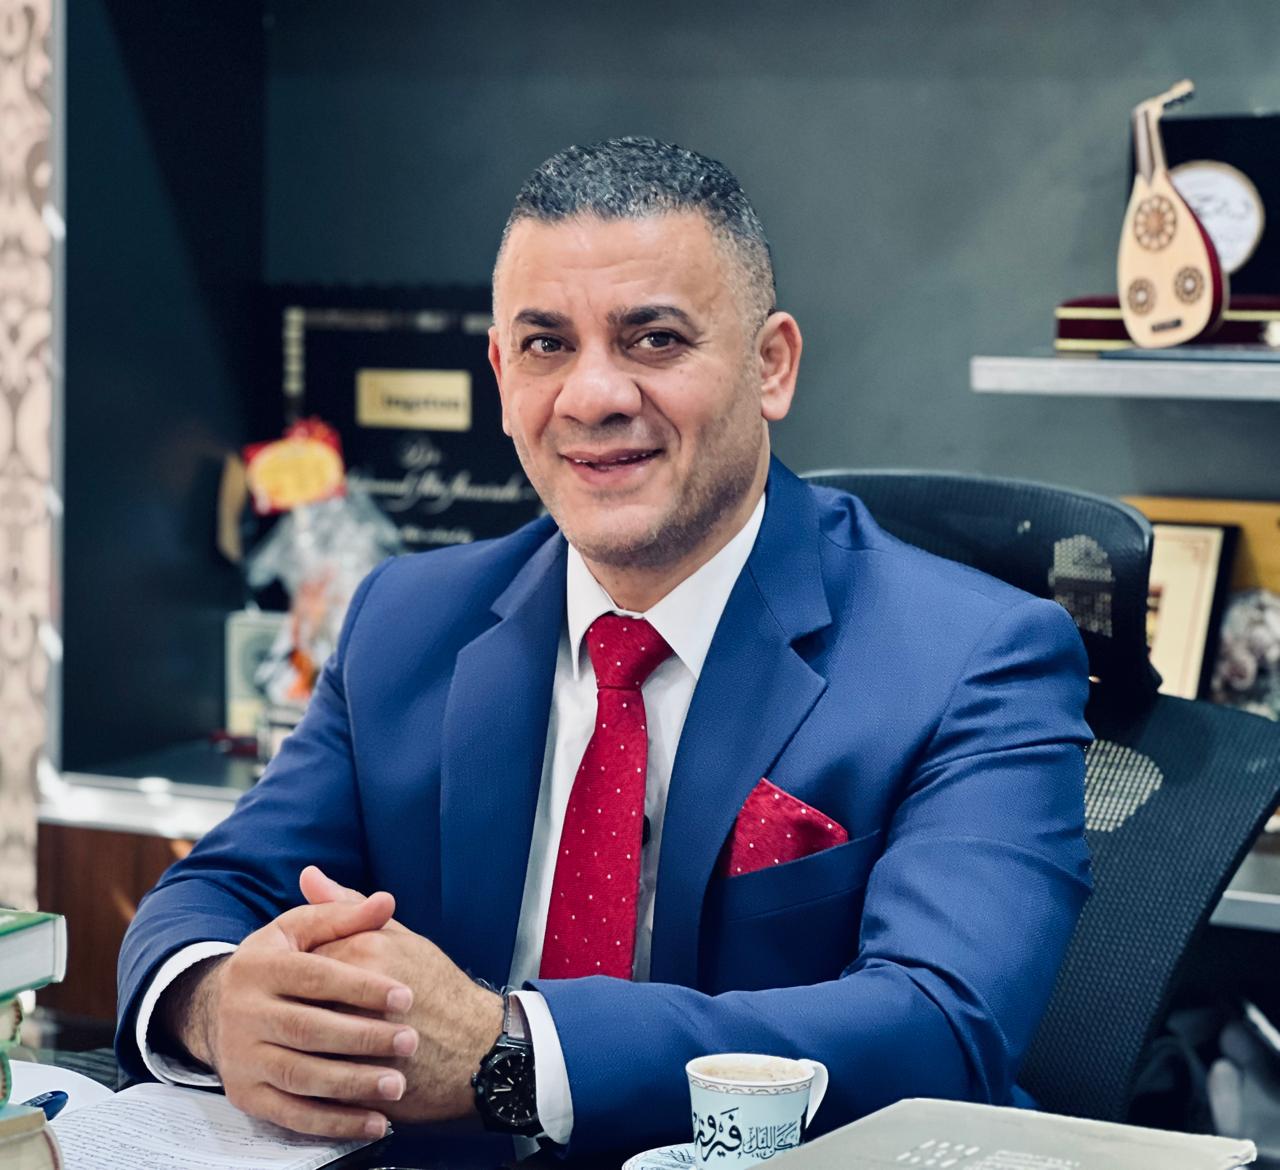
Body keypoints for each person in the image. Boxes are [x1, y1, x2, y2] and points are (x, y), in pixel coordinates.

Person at [116, 137, 1092, 1158]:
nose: (592, 397)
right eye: (545, 345)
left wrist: (515, 1055)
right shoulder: (405, 621)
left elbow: (941, 1030)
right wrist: (216, 1004)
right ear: (501, 376)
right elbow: (212, 895)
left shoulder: (977, 658)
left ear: (771, 365)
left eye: (654, 340)